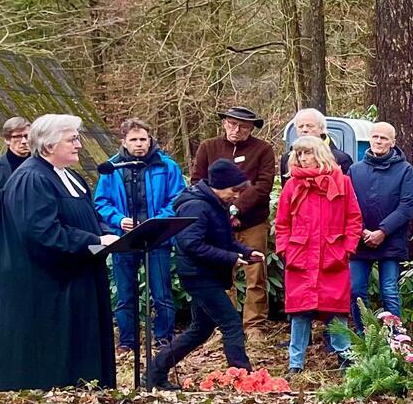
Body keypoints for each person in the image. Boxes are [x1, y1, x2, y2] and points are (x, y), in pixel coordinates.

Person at [0, 114, 118, 390]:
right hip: (48, 280)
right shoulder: (31, 178)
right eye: (73, 139)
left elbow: (88, 214)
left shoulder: (70, 176)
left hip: (79, 273)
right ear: (50, 146)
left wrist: (104, 234)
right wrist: (93, 241)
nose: (79, 145)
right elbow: (41, 232)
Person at [144, 160, 266, 389]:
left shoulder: (214, 203)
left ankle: (155, 374)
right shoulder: (196, 206)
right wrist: (230, 258)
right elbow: (191, 245)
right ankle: (243, 379)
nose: (236, 196)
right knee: (231, 324)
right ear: (219, 186)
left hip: (206, 274)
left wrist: (247, 252)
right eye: (235, 190)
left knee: (200, 329)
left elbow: (224, 241)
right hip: (198, 276)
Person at [190, 105, 277, 350]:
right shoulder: (209, 147)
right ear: (224, 123)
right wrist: (218, 210)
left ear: (251, 128)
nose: (236, 130)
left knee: (255, 273)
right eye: (231, 124)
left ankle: (254, 325)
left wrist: (237, 207)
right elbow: (198, 181)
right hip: (217, 222)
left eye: (243, 126)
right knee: (221, 274)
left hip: (253, 221)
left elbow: (263, 186)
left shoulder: (263, 150)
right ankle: (223, 324)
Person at [94, 118, 185, 350]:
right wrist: (118, 219)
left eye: (143, 139)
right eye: (133, 140)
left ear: (150, 140)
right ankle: (127, 341)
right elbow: (101, 202)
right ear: (123, 142)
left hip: (156, 235)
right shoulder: (111, 169)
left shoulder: (167, 166)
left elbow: (178, 199)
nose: (139, 144)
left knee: (162, 292)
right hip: (124, 237)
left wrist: (157, 221)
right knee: (125, 294)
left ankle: (164, 339)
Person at [277, 135, 361, 372]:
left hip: (332, 256)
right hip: (300, 257)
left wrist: (347, 248)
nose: (303, 158)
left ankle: (345, 360)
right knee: (299, 313)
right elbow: (282, 223)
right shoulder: (292, 185)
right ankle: (296, 365)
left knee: (336, 311)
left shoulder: (342, 182)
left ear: (320, 154)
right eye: (299, 154)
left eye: (308, 153)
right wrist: (285, 250)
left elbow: (353, 219)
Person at [345, 121, 413, 330]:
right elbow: (348, 205)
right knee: (356, 290)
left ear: (392, 143)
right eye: (375, 136)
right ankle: (364, 335)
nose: (378, 141)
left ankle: (395, 339)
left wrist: (383, 231)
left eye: (384, 138)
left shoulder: (405, 170)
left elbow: (406, 206)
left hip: (391, 240)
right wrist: (361, 231)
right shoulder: (355, 170)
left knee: (389, 291)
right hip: (360, 241)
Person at [0, 117, 29, 191]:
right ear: (7, 140)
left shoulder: (42, 162)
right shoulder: (0, 168)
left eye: (27, 136)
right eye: (18, 137)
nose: (24, 141)